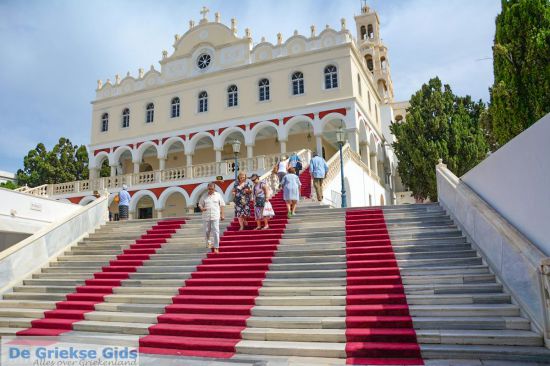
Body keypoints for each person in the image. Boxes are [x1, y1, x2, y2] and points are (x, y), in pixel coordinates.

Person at [199, 182, 225, 254]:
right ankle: (209, 244)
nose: (210, 190)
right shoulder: (204, 196)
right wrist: (202, 208)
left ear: (214, 188)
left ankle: (216, 247)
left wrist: (222, 214)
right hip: (206, 216)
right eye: (209, 189)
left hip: (215, 216)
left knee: (216, 231)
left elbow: (222, 205)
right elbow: (200, 204)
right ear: (207, 188)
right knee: (207, 231)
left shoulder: (218, 195)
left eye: (212, 189)